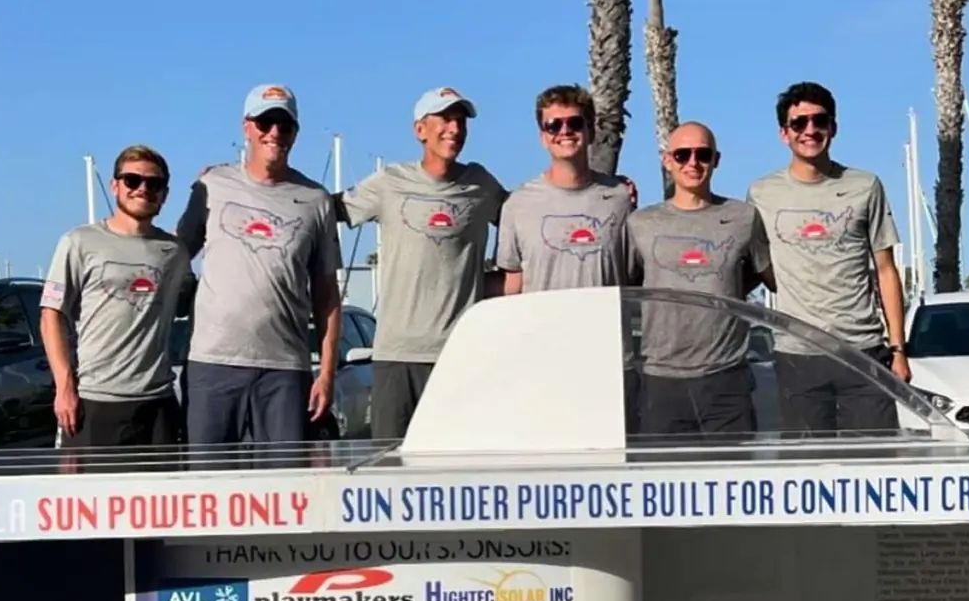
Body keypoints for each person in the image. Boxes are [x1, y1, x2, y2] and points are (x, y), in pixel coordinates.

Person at [174, 85, 341, 447]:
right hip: (212, 364)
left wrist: (326, 374)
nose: (275, 133)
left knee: (284, 479)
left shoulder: (317, 200)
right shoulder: (211, 184)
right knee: (209, 478)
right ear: (246, 127)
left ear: (295, 133)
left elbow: (327, 295)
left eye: (285, 125)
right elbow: (172, 257)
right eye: (265, 123)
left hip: (285, 370)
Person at [336, 87, 506, 439]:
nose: (454, 129)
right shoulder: (389, 182)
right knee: (390, 463)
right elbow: (323, 210)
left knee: (460, 463)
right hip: (397, 356)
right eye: (445, 119)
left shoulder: (481, 184)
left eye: (461, 121)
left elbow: (528, 217)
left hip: (461, 353)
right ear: (420, 130)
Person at [746, 82, 909, 434]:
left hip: (863, 350)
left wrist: (898, 349)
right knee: (807, 461)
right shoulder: (761, 193)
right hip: (798, 353)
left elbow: (885, 270)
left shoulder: (865, 186)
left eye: (819, 120)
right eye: (799, 123)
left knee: (873, 459)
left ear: (833, 127)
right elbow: (758, 263)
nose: (810, 130)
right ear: (784, 134)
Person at [41, 144, 190, 446]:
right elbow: (51, 315)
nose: (143, 189)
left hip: (158, 403)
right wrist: (64, 387)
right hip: (95, 401)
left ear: (164, 193)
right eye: (132, 180)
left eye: (154, 183)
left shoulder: (175, 253)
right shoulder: (79, 242)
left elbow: (193, 302)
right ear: (115, 186)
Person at [625, 122, 769, 435]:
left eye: (702, 154)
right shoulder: (640, 223)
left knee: (733, 469)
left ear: (716, 160)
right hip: (661, 379)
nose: (693, 162)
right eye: (682, 155)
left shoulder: (744, 217)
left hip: (727, 377)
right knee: (664, 470)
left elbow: (762, 275)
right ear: (667, 160)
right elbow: (629, 284)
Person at [496, 84, 633, 294]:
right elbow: (512, 284)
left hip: (604, 317)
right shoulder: (517, 204)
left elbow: (634, 275)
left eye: (575, 123)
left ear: (591, 132)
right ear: (543, 138)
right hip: (541, 317)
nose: (565, 131)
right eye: (554, 125)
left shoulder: (620, 198)